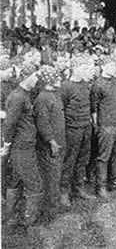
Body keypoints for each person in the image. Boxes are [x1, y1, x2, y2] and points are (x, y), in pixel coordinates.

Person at [2, 64, 43, 227]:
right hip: (21, 146)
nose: (37, 79)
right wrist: (6, 145)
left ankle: (11, 217)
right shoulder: (18, 97)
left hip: (25, 145)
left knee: (17, 180)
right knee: (34, 183)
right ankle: (29, 220)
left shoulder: (24, 94)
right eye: (35, 76)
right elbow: (9, 123)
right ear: (27, 77)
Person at [60, 59, 97, 207]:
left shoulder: (85, 85)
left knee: (83, 159)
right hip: (72, 129)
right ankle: (64, 191)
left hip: (85, 127)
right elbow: (61, 109)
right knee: (70, 160)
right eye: (83, 67)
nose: (86, 71)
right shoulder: (66, 87)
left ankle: (78, 187)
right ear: (74, 68)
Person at [91, 57, 116, 198]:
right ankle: (101, 186)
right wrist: (97, 127)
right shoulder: (97, 85)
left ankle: (115, 182)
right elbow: (94, 109)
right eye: (112, 65)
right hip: (105, 125)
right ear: (104, 67)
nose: (115, 68)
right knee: (103, 157)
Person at [34, 65, 66, 219]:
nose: (60, 80)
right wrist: (51, 141)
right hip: (50, 146)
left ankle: (53, 207)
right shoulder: (43, 98)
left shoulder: (55, 94)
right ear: (49, 80)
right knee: (50, 178)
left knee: (56, 175)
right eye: (57, 78)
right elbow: (42, 123)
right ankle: (49, 212)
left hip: (59, 142)